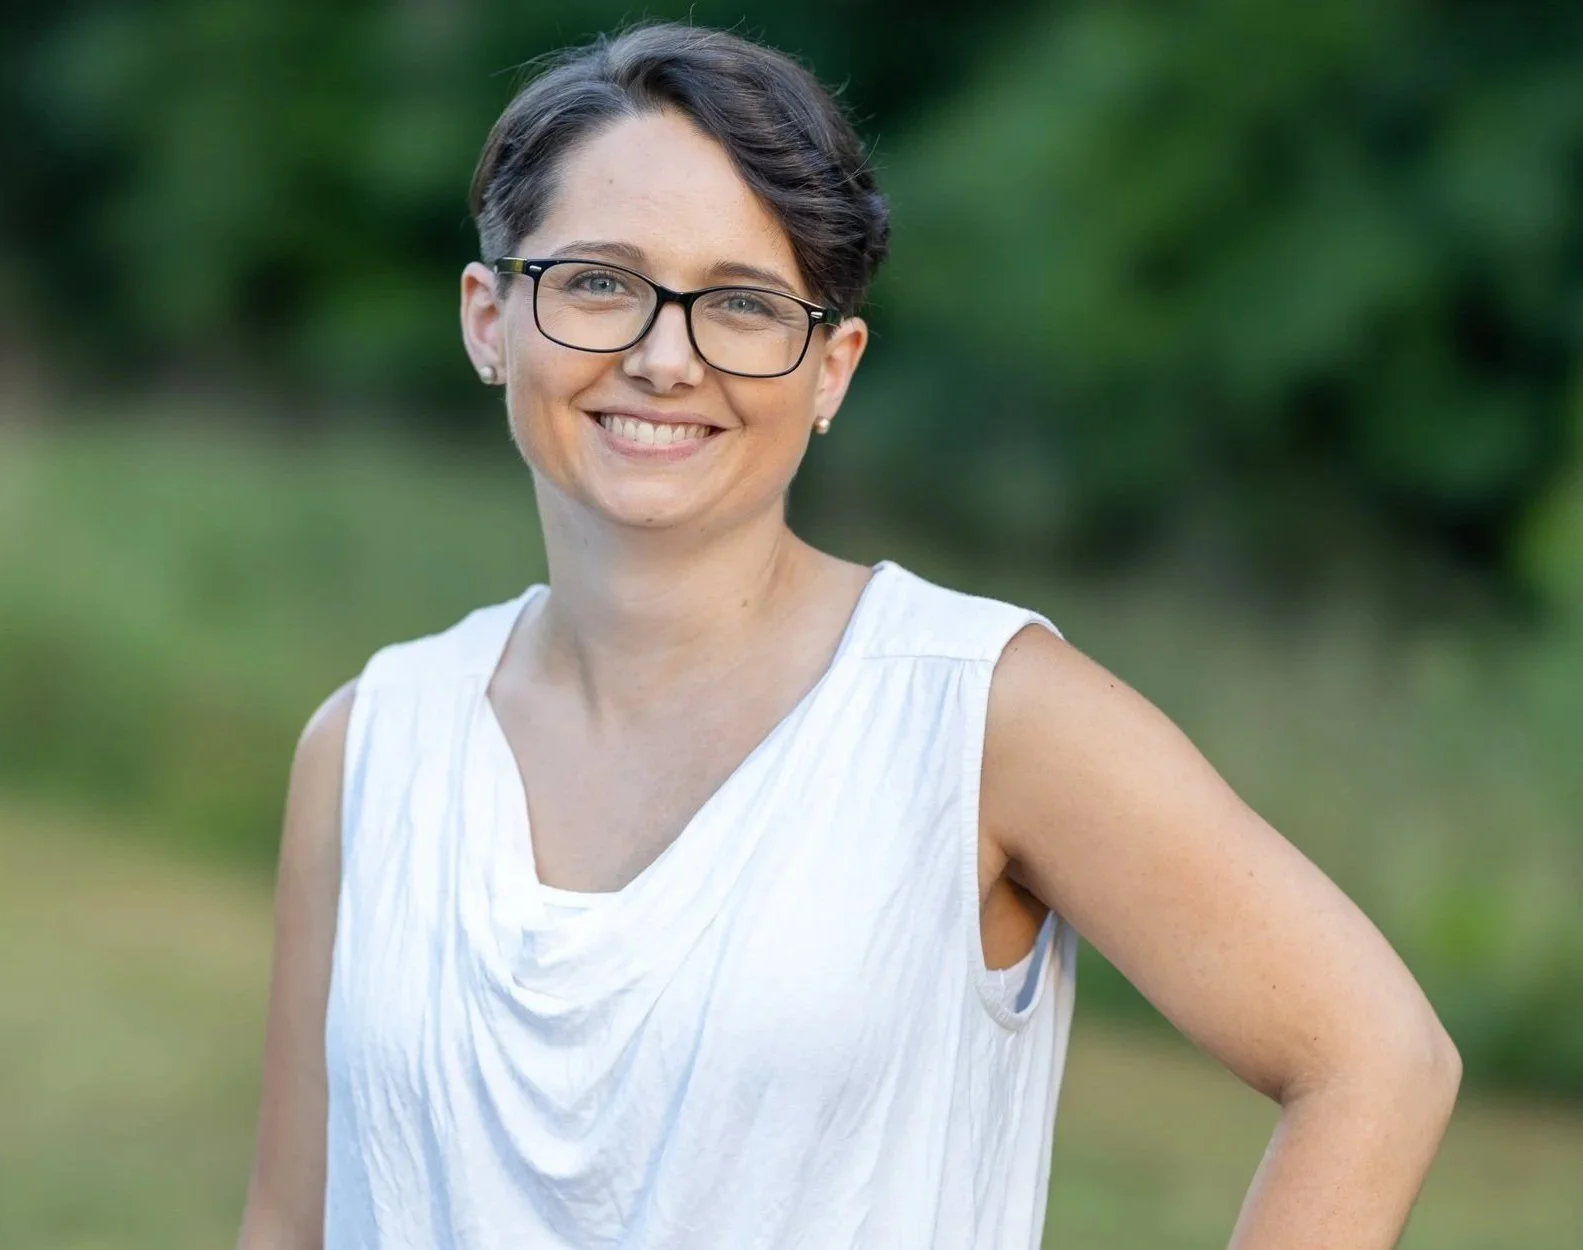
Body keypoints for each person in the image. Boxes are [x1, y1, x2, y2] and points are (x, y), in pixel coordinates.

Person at [236, 22, 1459, 1250]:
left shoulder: (980, 713)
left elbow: (1374, 1059)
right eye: (599, 280)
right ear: (490, 318)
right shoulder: (368, 744)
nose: (665, 358)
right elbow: (294, 1218)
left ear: (830, 368)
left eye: (743, 303)